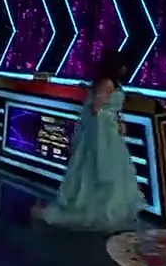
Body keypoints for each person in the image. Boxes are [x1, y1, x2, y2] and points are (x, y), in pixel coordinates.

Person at [35, 51, 144, 230]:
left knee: (114, 167)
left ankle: (108, 209)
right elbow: (95, 109)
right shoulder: (106, 83)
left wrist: (119, 120)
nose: (126, 69)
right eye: (123, 66)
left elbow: (111, 108)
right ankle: (95, 208)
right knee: (100, 166)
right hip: (103, 130)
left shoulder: (114, 83)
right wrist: (111, 121)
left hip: (111, 129)